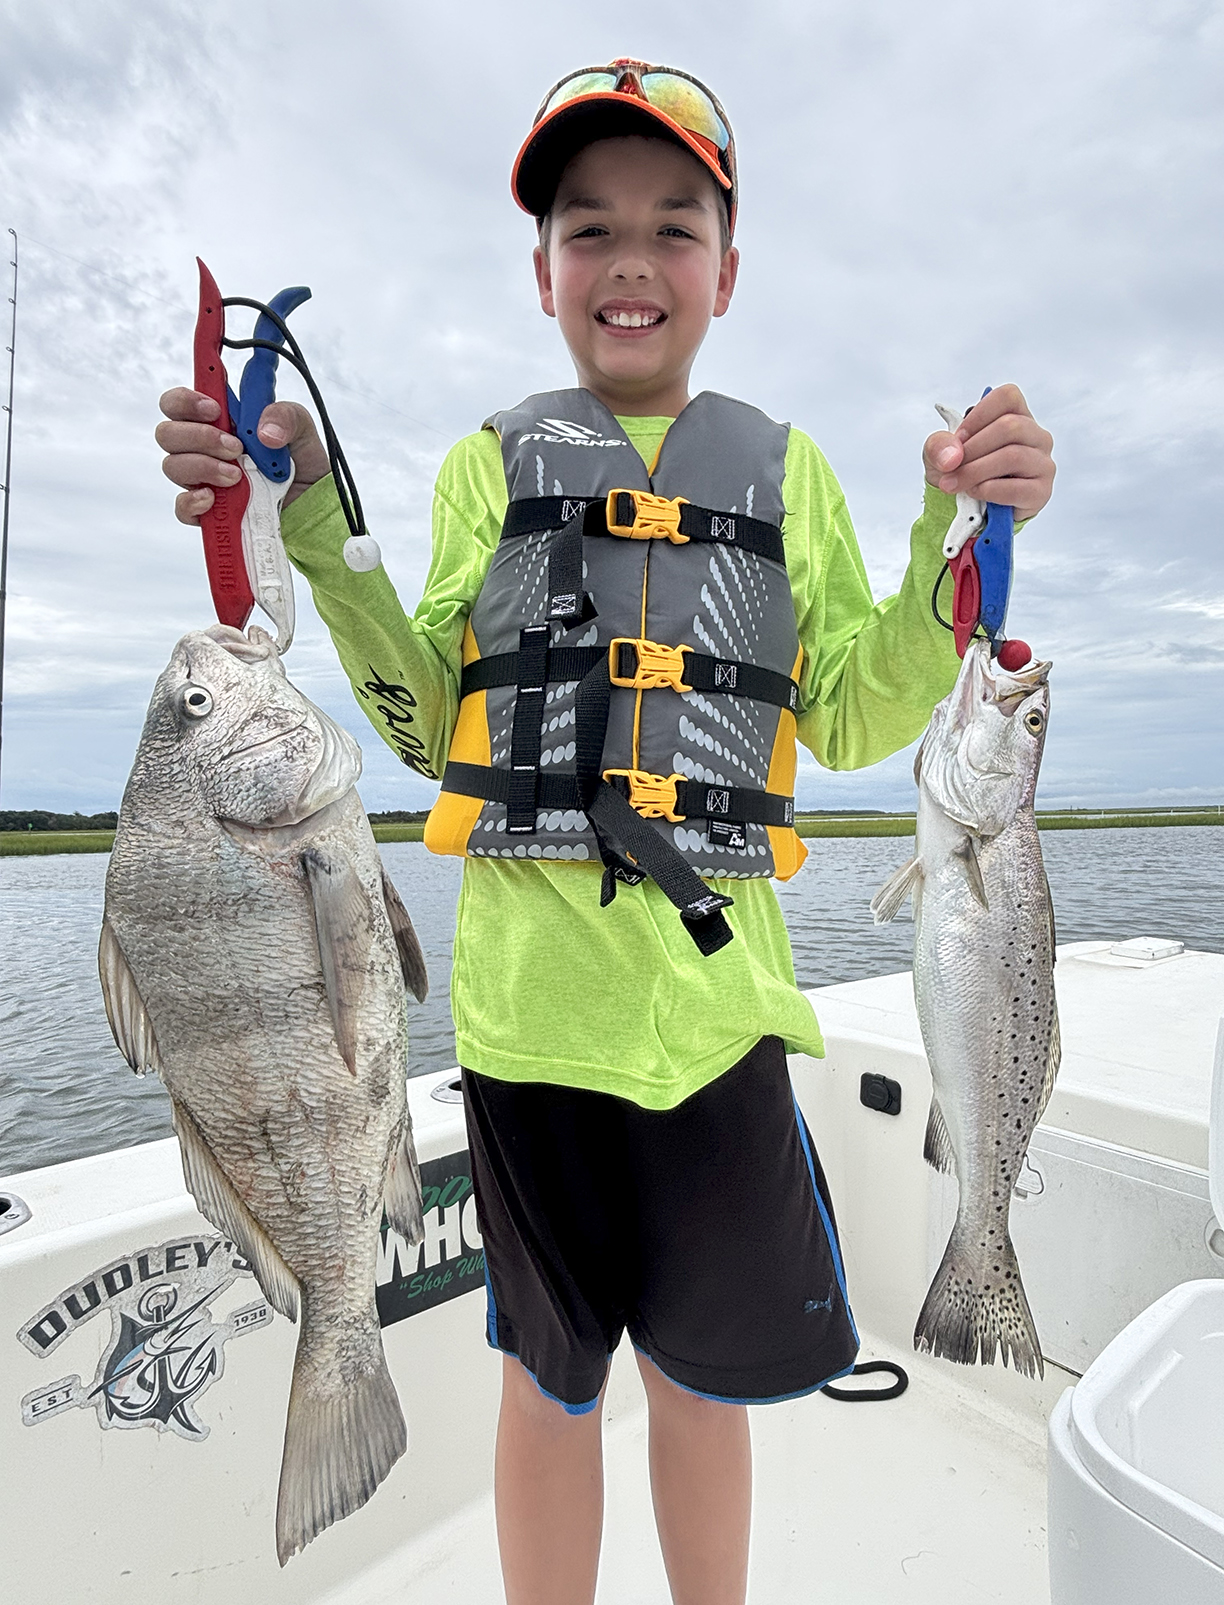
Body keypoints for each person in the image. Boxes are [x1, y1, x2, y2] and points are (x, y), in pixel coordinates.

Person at [156, 59, 1056, 1605]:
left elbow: (855, 710)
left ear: (727, 269)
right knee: (549, 1386)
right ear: (543, 271)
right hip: (526, 1031)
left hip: (717, 1021)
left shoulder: (787, 472)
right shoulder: (486, 466)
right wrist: (296, 514)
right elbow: (431, 718)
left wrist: (956, 536)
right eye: (590, 227)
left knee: (702, 1388)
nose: (631, 259)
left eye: (672, 225)